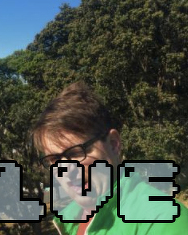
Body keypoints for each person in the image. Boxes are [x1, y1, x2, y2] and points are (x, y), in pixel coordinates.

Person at [31, 82, 188, 234]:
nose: (66, 171)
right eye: (55, 160)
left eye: (75, 153)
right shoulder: (71, 220)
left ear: (113, 144)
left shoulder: (162, 220)